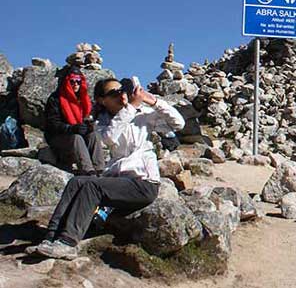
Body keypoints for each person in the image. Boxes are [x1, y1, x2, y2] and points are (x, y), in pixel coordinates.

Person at [28, 78, 185, 260]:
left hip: (143, 183)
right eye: (113, 93)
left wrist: (153, 101)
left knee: (92, 187)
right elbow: (110, 137)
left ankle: (68, 243)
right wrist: (130, 109)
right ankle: (50, 237)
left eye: (121, 90)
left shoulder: (143, 115)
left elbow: (178, 123)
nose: (120, 94)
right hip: (119, 181)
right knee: (77, 181)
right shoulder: (102, 123)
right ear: (102, 100)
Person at [43, 66, 104, 176]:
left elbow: (90, 115)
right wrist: (71, 128)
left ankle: (99, 169)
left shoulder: (84, 100)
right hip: (60, 138)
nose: (76, 84)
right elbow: (52, 124)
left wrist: (88, 126)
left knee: (94, 135)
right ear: (66, 81)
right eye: (72, 81)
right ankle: (88, 171)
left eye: (78, 81)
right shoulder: (56, 99)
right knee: (77, 138)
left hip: (78, 136)